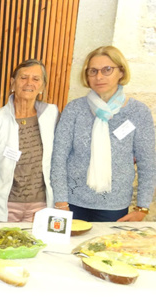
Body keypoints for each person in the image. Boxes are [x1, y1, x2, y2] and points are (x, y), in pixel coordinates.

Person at [51, 46, 155, 222]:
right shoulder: (74, 109)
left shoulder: (138, 112)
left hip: (114, 206)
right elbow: (59, 158)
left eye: (107, 70)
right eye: (93, 71)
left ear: (121, 72)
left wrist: (142, 207)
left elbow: (148, 162)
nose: (99, 77)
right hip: (72, 203)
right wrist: (61, 201)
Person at [0, 59, 59, 222]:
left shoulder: (52, 115)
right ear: (13, 83)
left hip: (41, 206)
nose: (29, 83)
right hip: (3, 205)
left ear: (42, 86)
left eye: (36, 79)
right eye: (23, 77)